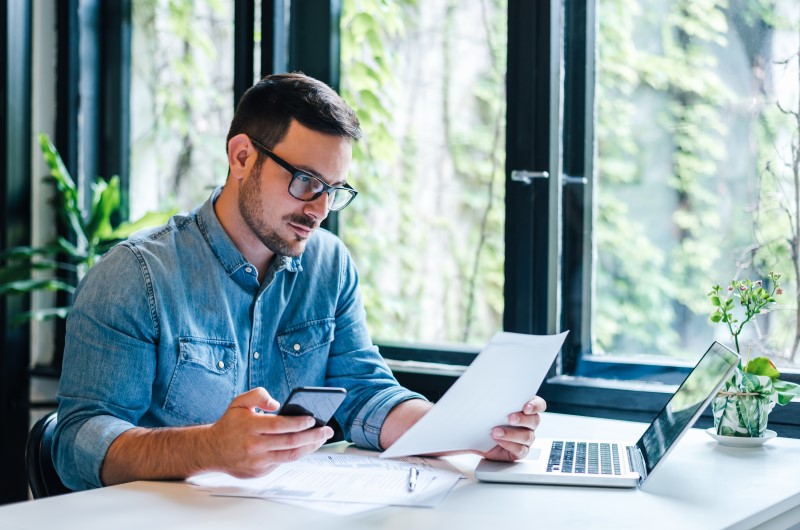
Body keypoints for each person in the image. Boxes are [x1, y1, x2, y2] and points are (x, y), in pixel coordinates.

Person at [53, 72, 546, 490]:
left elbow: (362, 391)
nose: (319, 210)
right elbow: (77, 442)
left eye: (333, 190)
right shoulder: (136, 275)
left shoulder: (329, 265)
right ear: (242, 157)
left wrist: (467, 431)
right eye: (306, 181)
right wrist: (207, 448)